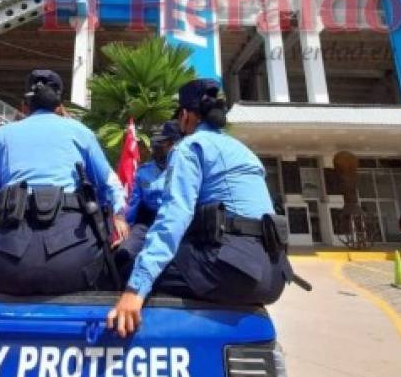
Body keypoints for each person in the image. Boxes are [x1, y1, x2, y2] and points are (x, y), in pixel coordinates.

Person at [107, 78, 294, 338]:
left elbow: (174, 218)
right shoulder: (243, 150)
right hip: (274, 276)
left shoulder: (190, 147)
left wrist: (134, 291)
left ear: (185, 116)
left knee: (128, 264)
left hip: (233, 271)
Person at [0, 69, 128, 295]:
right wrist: (118, 217)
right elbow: (109, 184)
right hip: (74, 263)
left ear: (23, 107)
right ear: (60, 106)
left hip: (9, 264)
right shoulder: (80, 132)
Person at [115, 121, 181, 278]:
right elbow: (133, 205)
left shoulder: (184, 169)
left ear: (173, 144)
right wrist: (124, 230)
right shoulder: (144, 172)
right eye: (154, 142)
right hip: (148, 223)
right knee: (124, 253)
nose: (156, 146)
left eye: (161, 143)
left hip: (176, 223)